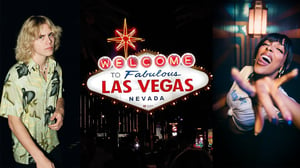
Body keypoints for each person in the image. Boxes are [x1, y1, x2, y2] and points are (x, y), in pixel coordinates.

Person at [0, 15, 64, 168]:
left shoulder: (56, 68)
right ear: (28, 42)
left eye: (50, 35)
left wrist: (60, 109)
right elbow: (13, 121)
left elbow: (59, 97)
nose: (48, 41)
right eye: (41, 37)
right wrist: (40, 158)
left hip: (53, 145)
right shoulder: (16, 75)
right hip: (28, 155)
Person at [225, 33, 300, 135]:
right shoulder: (246, 70)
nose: (269, 49)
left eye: (279, 49)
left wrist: (274, 95)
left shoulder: (277, 97)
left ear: (282, 66)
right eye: (265, 44)